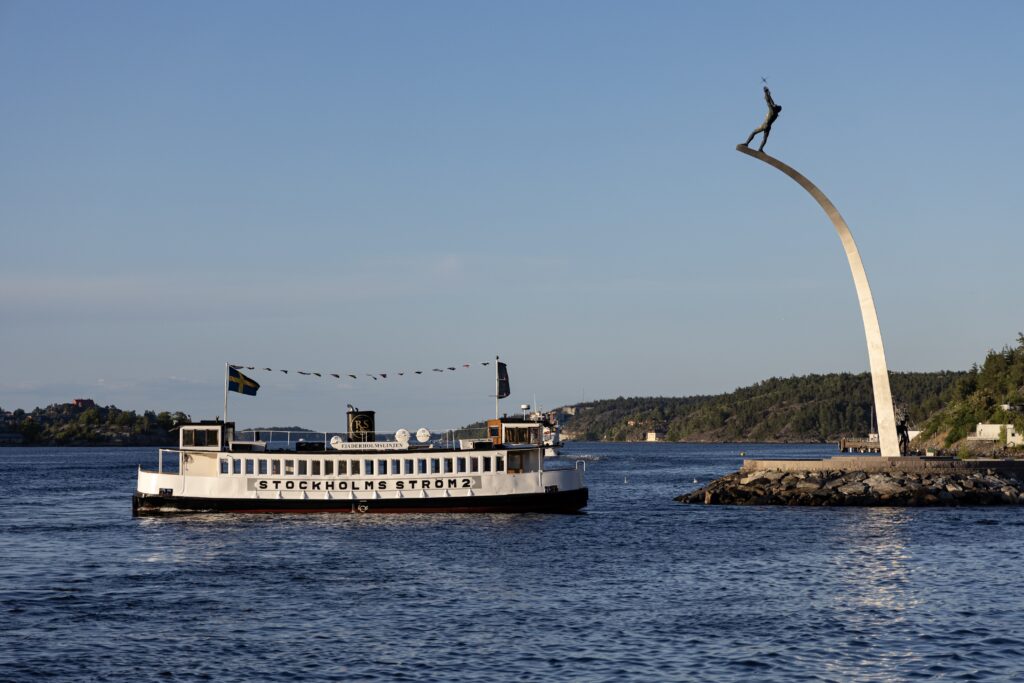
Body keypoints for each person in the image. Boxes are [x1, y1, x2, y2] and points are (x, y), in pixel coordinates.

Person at [742, 86, 782, 152]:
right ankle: (760, 149)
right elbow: (772, 103)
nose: (775, 104)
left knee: (754, 132)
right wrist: (769, 95)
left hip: (765, 125)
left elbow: (768, 102)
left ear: (776, 108)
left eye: (776, 105)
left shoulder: (772, 111)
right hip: (768, 127)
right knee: (765, 138)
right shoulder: (775, 113)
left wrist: (765, 93)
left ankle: (746, 143)